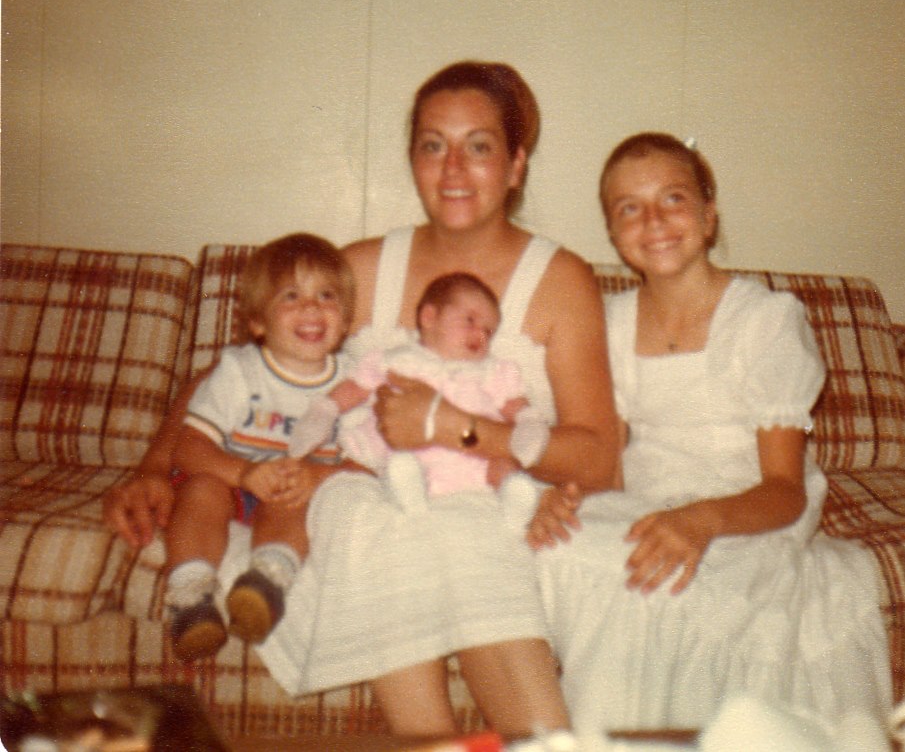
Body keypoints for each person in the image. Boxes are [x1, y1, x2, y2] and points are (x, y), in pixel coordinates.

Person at [103, 61, 619, 738]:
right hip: (369, 501)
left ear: (516, 164)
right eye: (432, 145)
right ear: (412, 159)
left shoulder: (560, 280)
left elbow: (600, 461)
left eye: (479, 146)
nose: (453, 168)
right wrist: (151, 467)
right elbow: (238, 372)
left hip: (488, 501)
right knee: (375, 524)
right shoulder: (363, 268)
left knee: (462, 545)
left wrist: (453, 427)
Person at [529, 132, 892, 733]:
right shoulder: (610, 322)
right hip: (649, 503)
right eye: (630, 208)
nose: (654, 221)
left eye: (673, 198)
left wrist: (701, 521)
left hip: (747, 512)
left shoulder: (765, 321)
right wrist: (565, 497)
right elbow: (605, 464)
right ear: (613, 233)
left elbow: (786, 491)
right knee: (552, 542)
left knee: (665, 586)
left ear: (708, 214)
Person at [163, 233, 356, 662]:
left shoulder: (355, 382)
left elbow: (369, 463)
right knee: (200, 489)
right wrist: (244, 473)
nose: (311, 307)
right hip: (232, 482)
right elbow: (188, 448)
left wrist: (319, 475)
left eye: (326, 296)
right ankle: (191, 596)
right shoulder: (238, 370)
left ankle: (266, 582)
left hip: (297, 494)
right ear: (257, 322)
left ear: (345, 321)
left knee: (296, 499)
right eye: (291, 296)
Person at [289, 271, 543, 526]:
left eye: (489, 331)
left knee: (504, 467)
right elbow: (356, 388)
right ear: (429, 317)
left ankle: (515, 504)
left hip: (472, 463)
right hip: (402, 456)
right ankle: (408, 497)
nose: (480, 335)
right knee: (370, 470)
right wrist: (324, 410)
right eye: (470, 321)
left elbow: (513, 404)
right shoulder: (396, 359)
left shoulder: (491, 370)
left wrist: (529, 421)